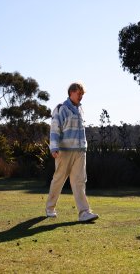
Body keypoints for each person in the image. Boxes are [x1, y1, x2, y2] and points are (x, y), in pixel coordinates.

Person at [46, 82, 99, 222]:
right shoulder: (61, 108)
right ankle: (50, 208)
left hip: (80, 151)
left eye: (82, 94)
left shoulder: (81, 109)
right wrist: (54, 147)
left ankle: (84, 213)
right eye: (78, 93)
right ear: (71, 92)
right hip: (64, 151)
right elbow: (55, 129)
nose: (81, 96)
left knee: (80, 181)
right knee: (58, 180)